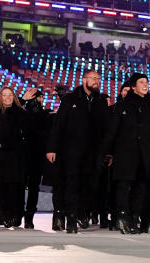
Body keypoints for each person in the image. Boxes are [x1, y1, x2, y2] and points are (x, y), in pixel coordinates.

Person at [46, 69, 109, 233]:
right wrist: (52, 148)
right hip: (71, 152)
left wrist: (107, 151)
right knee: (72, 185)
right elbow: (58, 125)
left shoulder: (101, 101)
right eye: (93, 78)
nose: (96, 81)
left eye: (98, 78)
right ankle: (72, 219)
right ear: (84, 80)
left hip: (94, 153)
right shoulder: (70, 99)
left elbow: (105, 129)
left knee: (90, 186)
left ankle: (81, 212)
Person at [102, 73, 150, 234]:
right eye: (141, 82)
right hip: (125, 154)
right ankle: (122, 217)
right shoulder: (122, 105)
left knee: (140, 188)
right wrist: (106, 152)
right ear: (133, 86)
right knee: (123, 186)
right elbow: (112, 131)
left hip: (145, 155)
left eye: (146, 82)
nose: (145, 85)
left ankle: (134, 218)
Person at [0, 87, 28, 231]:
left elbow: (26, 135)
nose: (7, 97)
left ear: (13, 97)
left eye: (10, 95)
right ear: (0, 97)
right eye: (4, 95)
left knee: (12, 187)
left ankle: (10, 216)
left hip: (15, 157)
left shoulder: (21, 114)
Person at [22, 88, 51, 229]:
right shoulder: (21, 112)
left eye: (40, 97)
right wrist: (22, 101)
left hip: (37, 156)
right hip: (21, 155)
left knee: (33, 187)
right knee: (19, 186)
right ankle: (17, 213)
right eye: (36, 97)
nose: (39, 100)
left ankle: (29, 216)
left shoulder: (45, 114)